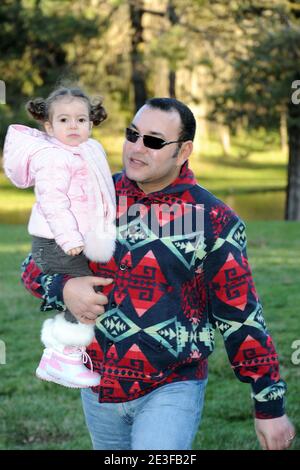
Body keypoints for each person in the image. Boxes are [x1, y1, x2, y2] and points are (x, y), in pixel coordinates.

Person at [21, 97, 295, 450]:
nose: (136, 148)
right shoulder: (91, 196)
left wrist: (269, 405)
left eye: (153, 141)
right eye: (132, 134)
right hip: (97, 384)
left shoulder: (213, 220)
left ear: (183, 151)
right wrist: (64, 287)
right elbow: (32, 266)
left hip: (172, 385)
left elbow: (240, 316)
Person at [4, 86, 116, 389]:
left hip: (71, 239)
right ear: (49, 126)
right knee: (86, 297)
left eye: (81, 120)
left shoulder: (86, 150)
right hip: (56, 242)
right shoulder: (53, 158)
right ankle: (62, 358)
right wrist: (69, 240)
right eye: (64, 120)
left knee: (88, 295)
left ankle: (59, 352)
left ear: (91, 123)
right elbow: (54, 202)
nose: (74, 126)